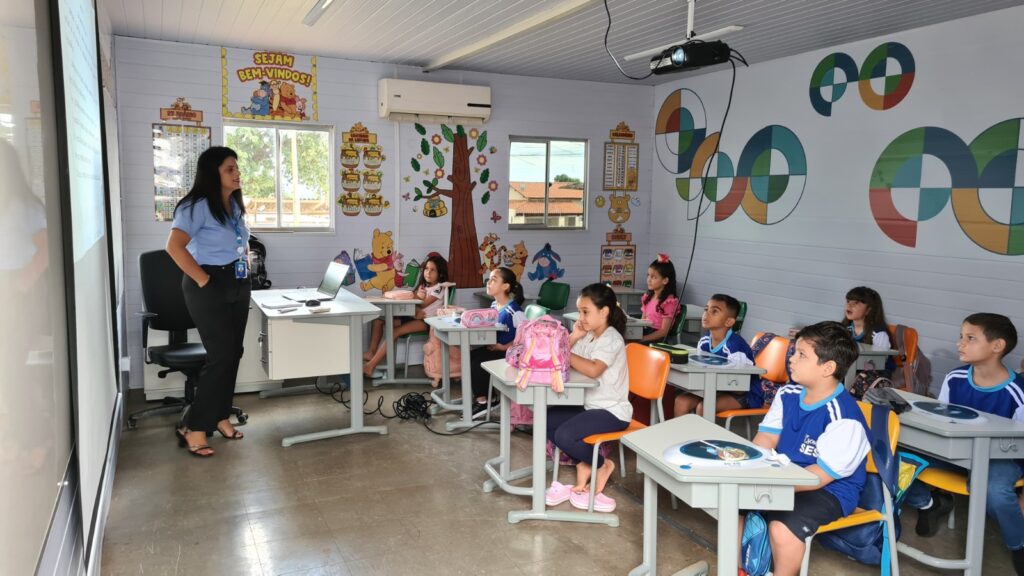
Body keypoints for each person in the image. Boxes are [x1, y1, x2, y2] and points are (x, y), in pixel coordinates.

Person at [904, 313, 1024, 574]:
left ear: (997, 346)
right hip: (954, 452)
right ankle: (929, 504)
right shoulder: (955, 377)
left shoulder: (1018, 391)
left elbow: (1020, 442)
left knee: (994, 490)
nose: (960, 344)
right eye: (961, 337)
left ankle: (1019, 545)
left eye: (970, 338)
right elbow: (942, 419)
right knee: (896, 458)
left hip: (1000, 459)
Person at [747, 321, 869, 576]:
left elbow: (817, 477)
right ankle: (747, 566)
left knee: (783, 526)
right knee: (733, 502)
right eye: (794, 351)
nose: (791, 359)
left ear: (828, 368)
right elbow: (766, 439)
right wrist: (752, 469)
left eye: (802, 355)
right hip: (787, 476)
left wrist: (769, 485)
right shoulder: (788, 393)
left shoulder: (843, 417)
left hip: (830, 489)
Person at [166, 146, 250, 457]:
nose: (237, 172)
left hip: (238, 281)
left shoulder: (233, 205)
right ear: (212, 172)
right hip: (209, 283)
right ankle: (195, 426)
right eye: (230, 168)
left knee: (233, 353)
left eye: (236, 167)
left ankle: (219, 416)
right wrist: (204, 281)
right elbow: (174, 247)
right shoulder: (196, 205)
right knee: (221, 355)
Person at [544, 284, 632, 513]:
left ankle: (601, 464)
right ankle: (587, 461)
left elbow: (593, 369)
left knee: (564, 435)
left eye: (585, 312)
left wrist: (565, 351)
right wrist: (574, 336)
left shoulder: (611, 339)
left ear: (604, 312)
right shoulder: (589, 336)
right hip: (589, 405)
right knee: (548, 418)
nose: (580, 317)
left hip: (612, 411)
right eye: (579, 311)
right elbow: (566, 360)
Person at [363, 254, 447, 377]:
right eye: (427, 269)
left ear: (440, 273)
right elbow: (414, 300)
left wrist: (416, 300)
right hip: (414, 317)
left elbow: (422, 304)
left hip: (427, 322)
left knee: (394, 332)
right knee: (378, 321)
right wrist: (415, 304)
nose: (428, 273)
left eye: (433, 270)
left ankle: (370, 366)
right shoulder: (424, 286)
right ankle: (371, 352)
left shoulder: (439, 288)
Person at [673, 293, 756, 417]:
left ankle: (701, 437)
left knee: (704, 407)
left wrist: (714, 389)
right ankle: (681, 436)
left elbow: (740, 387)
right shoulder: (704, 341)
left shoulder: (735, 347)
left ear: (729, 321)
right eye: (706, 309)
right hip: (714, 388)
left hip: (745, 395)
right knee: (681, 401)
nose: (706, 314)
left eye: (715, 311)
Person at [468, 267, 524, 411]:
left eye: (494, 280)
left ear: (505, 286)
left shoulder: (514, 310)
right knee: (471, 355)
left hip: (510, 352)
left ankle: (482, 402)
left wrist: (504, 347)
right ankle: (488, 395)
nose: (488, 283)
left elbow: (526, 336)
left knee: (478, 362)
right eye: (489, 279)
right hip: (496, 347)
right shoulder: (494, 305)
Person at [638, 254, 679, 343]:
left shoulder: (669, 302)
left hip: (657, 339)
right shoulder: (647, 298)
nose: (649, 279)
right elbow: (642, 322)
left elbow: (664, 331)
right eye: (648, 275)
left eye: (653, 277)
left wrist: (643, 339)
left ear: (665, 280)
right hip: (645, 332)